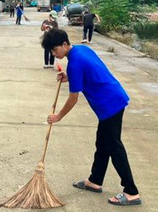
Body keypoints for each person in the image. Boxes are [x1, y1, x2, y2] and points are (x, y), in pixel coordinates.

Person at [43, 28, 141, 207]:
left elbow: (73, 98)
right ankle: (95, 181)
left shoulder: (75, 63)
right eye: (51, 52)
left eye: (55, 50)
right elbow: (91, 70)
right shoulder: (81, 50)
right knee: (102, 143)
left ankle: (131, 192)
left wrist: (58, 116)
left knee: (114, 147)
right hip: (112, 99)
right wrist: (70, 77)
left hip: (110, 104)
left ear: (65, 44)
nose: (54, 54)